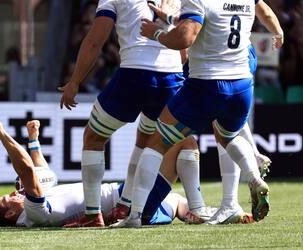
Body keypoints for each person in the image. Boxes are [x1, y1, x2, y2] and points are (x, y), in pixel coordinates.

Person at [111, 0, 283, 228]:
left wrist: (157, 33)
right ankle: (253, 176)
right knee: (228, 136)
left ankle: (134, 217)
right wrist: (278, 32)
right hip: (241, 86)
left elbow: (186, 38)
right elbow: (252, 15)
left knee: (156, 143)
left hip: (206, 85)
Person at [59, 0, 188, 227]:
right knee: (151, 140)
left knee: (93, 137)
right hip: (171, 76)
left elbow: (94, 41)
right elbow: (184, 47)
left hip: (135, 75)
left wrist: (75, 81)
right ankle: (126, 206)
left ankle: (92, 214)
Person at [0, 115, 194, 227]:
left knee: (176, 201)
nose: (13, 193)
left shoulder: (39, 206)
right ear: (11, 213)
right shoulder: (34, 213)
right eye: (8, 198)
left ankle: (196, 211)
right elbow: (27, 171)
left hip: (125, 199)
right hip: (126, 202)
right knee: (182, 141)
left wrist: (34, 141)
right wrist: (0, 132)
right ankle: (199, 207)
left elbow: (41, 173)